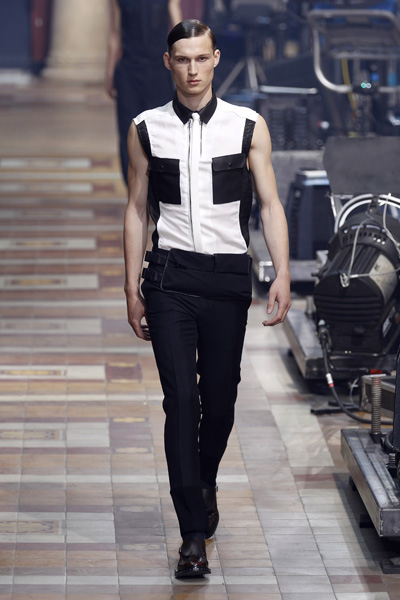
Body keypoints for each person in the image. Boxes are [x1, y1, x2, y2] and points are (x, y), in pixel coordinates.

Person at [123, 19, 291, 578]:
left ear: (216, 59)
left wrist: (282, 273)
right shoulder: (146, 129)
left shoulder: (247, 126)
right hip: (169, 279)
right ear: (168, 63)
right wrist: (131, 285)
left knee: (219, 401)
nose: (192, 69)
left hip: (226, 279)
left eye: (201, 58)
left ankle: (204, 480)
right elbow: (136, 208)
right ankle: (192, 535)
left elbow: (269, 204)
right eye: (182, 59)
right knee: (182, 402)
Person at [106, 0, 182, 185]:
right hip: (129, 72)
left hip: (159, 72)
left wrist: (180, 69)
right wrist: (109, 73)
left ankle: (158, 188)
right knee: (129, 133)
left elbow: (178, 33)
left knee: (161, 132)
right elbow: (115, 34)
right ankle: (134, 189)